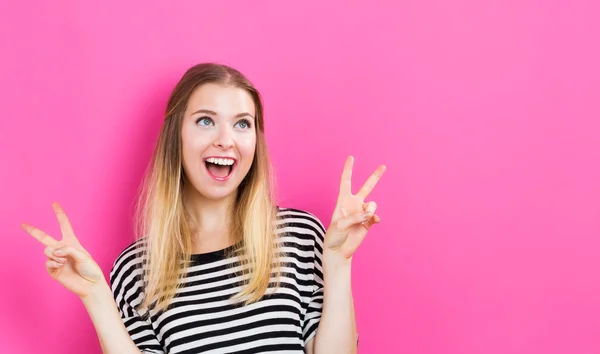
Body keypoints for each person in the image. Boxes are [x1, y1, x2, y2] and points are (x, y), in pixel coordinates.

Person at [21, 63, 386, 354]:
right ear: (175, 137)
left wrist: (338, 262)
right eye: (206, 121)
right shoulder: (135, 270)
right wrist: (96, 297)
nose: (225, 140)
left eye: (242, 124)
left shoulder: (299, 236)